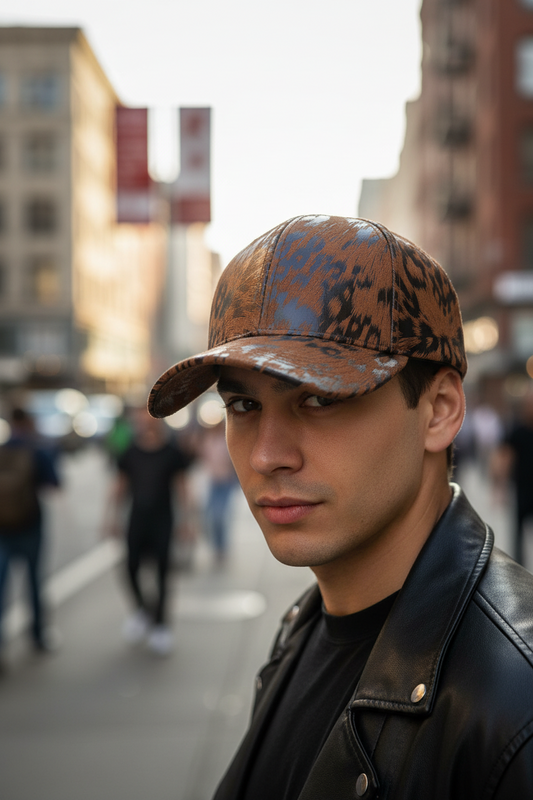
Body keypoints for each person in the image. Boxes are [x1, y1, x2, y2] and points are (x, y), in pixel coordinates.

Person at [148, 215, 533, 799]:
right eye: (244, 405)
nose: (267, 456)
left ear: (439, 411)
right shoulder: (305, 627)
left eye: (320, 399)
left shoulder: (514, 706)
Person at [110, 408, 192, 656]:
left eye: (148, 420)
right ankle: (142, 611)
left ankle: (161, 624)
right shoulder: (129, 452)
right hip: (137, 518)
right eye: (140, 420)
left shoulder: (172, 452)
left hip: (163, 520)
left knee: (163, 572)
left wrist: (187, 521)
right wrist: (112, 517)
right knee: (130, 567)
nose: (144, 424)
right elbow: (120, 485)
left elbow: (182, 486)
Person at [0, 407, 60, 662]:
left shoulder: (2, 450)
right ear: (28, 422)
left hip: (2, 528)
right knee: (34, 582)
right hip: (30, 525)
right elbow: (54, 484)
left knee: (1, 587)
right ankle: (37, 636)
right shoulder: (37, 450)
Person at [491, 388, 533, 566]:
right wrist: (500, 488)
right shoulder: (517, 431)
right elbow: (505, 458)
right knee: (517, 533)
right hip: (522, 490)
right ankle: (518, 567)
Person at [199, 421, 238, 565]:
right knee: (208, 516)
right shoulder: (208, 440)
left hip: (225, 482)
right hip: (213, 483)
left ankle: (221, 548)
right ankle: (215, 546)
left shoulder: (225, 441)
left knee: (219, 516)